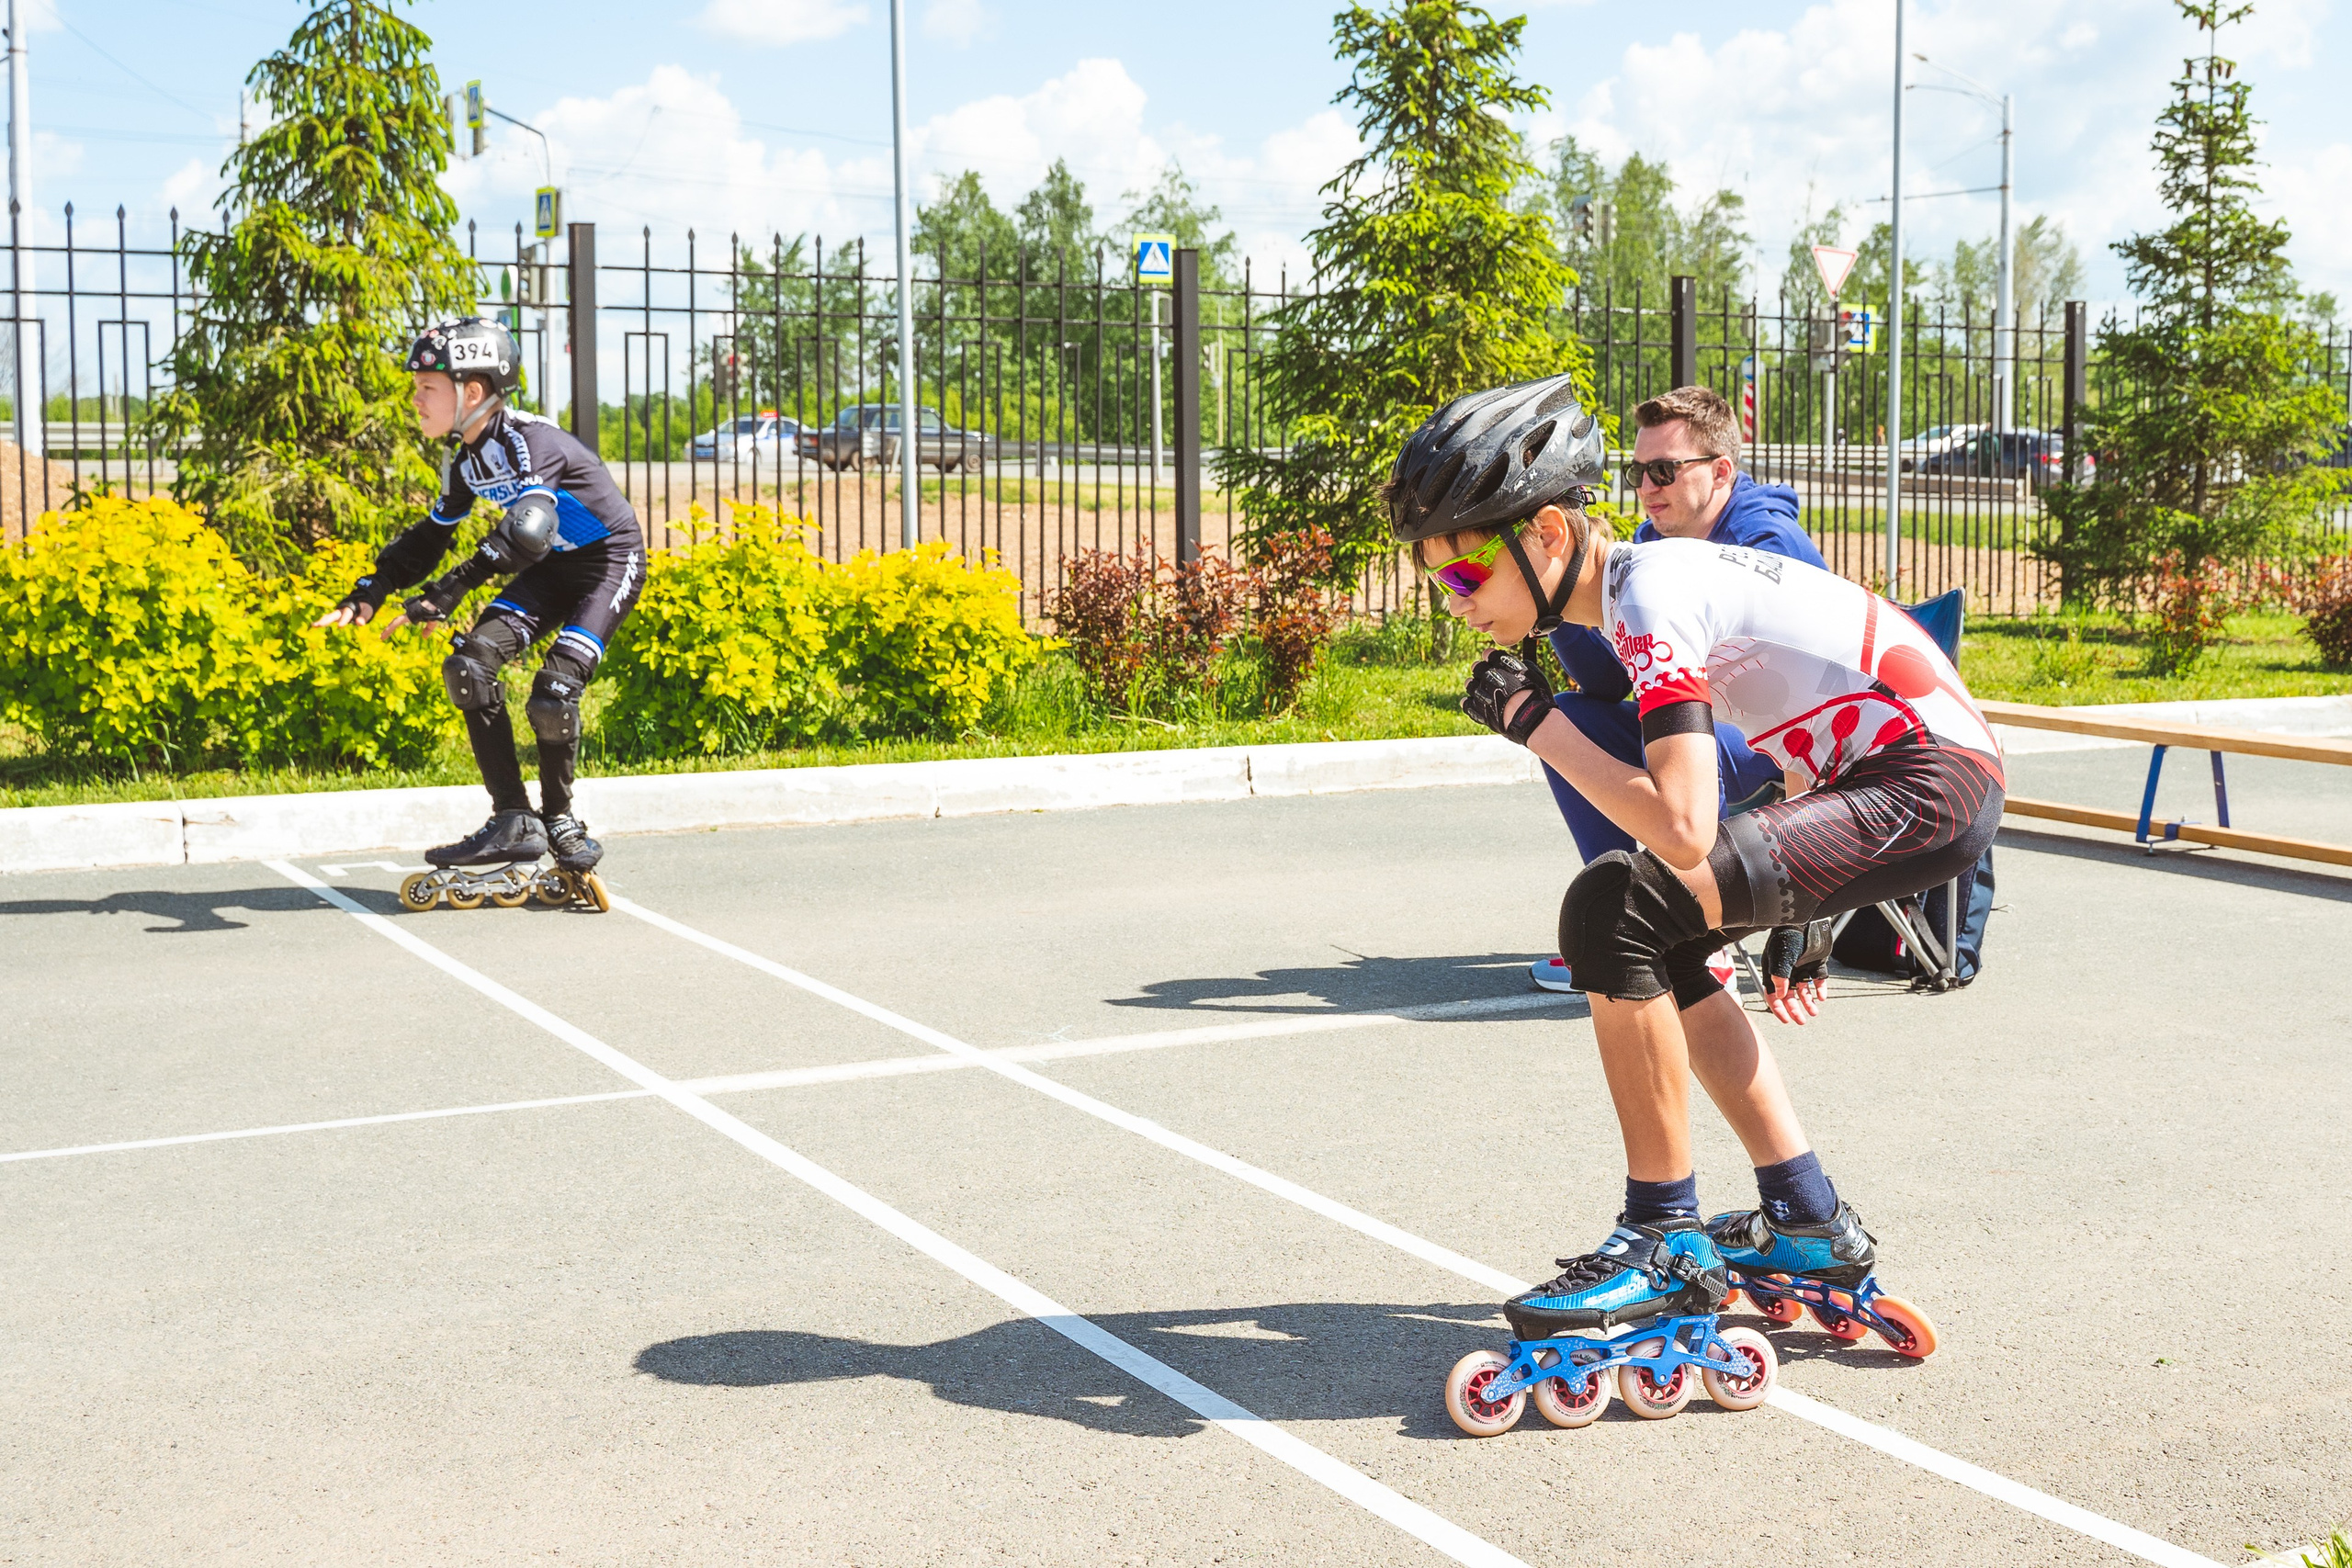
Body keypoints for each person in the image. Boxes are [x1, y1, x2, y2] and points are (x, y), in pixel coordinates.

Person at [1388, 372, 2003, 1347]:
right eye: (1437, 582)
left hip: (1925, 779)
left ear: (1549, 535)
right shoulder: (1647, 586)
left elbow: (1680, 823)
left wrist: (1533, 722)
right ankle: (1804, 1221)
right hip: (1899, 774)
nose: (1452, 603)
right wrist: (1794, 899)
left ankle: (1661, 1239)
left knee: (1617, 911)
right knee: (1660, 939)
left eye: (1464, 576)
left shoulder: (1653, 591)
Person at [313, 317, 645, 885]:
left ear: (471, 391)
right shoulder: (464, 460)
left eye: (426, 387)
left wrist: (447, 592)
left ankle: (560, 820)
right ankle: (515, 820)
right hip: (554, 568)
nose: (414, 399)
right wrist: (372, 589)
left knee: (553, 693)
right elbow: (431, 536)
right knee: (469, 664)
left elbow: (527, 531)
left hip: (608, 563)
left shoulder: (528, 443)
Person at [1533, 385, 1826, 1007]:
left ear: (1721, 471)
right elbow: (1610, 685)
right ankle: (1618, 909)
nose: (1646, 486)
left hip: (1793, 741)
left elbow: (1799, 691)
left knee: (1686, 728)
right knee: (1567, 722)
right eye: (1639, 471)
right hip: (1709, 724)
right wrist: (1557, 602)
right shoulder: (1652, 542)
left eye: (1664, 470)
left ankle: (1703, 929)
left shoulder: (1770, 546)